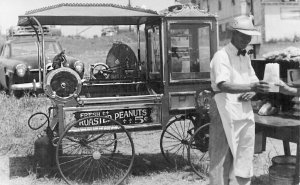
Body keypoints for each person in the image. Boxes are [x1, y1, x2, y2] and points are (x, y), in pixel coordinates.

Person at [209, 15, 270, 185]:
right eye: (243, 35)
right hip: (224, 108)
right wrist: (251, 88)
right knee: (221, 156)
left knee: (244, 152)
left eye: (249, 36)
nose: (246, 39)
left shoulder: (245, 56)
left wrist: (253, 91)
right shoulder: (222, 56)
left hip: (243, 109)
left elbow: (254, 81)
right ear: (233, 34)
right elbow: (223, 85)